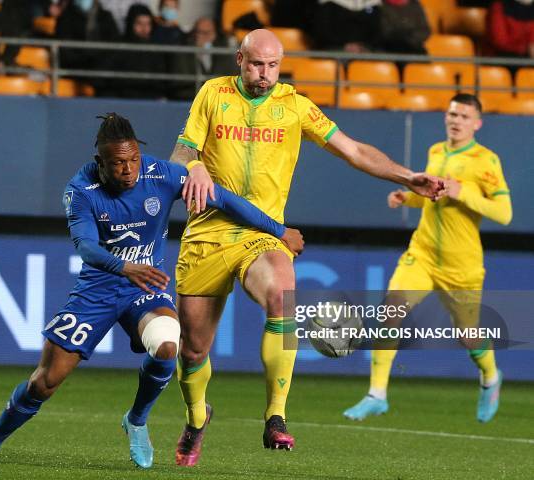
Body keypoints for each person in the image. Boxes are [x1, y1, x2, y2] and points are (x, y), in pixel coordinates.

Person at [0, 113, 303, 469]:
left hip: (144, 288)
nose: (128, 169)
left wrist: (278, 229)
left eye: (133, 159)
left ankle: (136, 420)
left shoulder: (161, 175)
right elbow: (87, 248)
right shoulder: (80, 191)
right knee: (45, 381)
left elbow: (225, 200)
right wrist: (124, 266)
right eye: (118, 163)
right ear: (99, 163)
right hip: (98, 290)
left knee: (168, 344)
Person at [169, 28, 445, 466]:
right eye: (257, 64)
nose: (265, 74)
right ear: (240, 59)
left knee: (283, 292)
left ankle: (275, 416)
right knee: (193, 350)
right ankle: (197, 416)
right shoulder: (212, 94)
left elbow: (353, 150)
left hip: (264, 233)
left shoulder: (295, 106)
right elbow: (179, 157)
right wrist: (196, 165)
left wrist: (407, 177)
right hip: (208, 233)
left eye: (273, 66)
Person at [343, 94, 512, 423]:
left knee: (468, 334)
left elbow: (504, 213)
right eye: (452, 114)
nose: (456, 120)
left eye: (464, 116)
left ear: (477, 123)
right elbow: (433, 199)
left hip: (460, 265)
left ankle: (490, 378)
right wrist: (407, 196)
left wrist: (466, 194)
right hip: (422, 254)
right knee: (390, 310)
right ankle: (376, 394)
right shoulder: (437, 150)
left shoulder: (486, 161)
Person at [170, 16, 236, 100]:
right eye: (198, 32)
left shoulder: (222, 52)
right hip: (192, 99)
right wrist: (198, 56)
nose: (200, 36)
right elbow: (181, 84)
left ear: (214, 34)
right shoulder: (184, 52)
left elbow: (229, 77)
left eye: (205, 33)